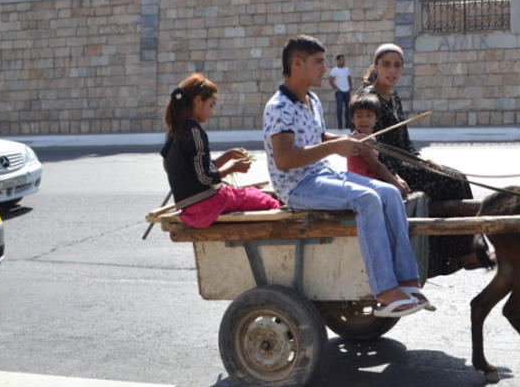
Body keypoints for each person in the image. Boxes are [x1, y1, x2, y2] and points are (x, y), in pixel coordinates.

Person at [262, 35, 430, 317]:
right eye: (318, 62)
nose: (325, 69)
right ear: (297, 64)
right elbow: (285, 158)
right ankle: (384, 288)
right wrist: (334, 146)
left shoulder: (311, 99)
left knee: (388, 193)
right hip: (297, 186)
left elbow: (318, 137)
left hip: (321, 175)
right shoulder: (279, 107)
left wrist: (348, 140)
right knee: (367, 199)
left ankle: (407, 280)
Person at [360, 43, 493, 275]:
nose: (391, 71)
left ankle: (467, 244)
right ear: (376, 67)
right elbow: (373, 148)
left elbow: (405, 141)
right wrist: (393, 177)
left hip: (406, 162)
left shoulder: (394, 97)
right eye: (386, 65)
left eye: (397, 66)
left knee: (458, 177)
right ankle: (464, 250)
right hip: (390, 167)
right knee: (452, 182)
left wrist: (421, 159)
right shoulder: (369, 100)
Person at [161, 73, 281, 228]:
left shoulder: (175, 131)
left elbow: (197, 169)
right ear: (198, 101)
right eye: (211, 105)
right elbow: (204, 178)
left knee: (251, 193)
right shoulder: (195, 133)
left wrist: (227, 156)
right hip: (208, 204)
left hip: (190, 206)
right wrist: (233, 168)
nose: (212, 111)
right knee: (267, 201)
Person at [347, 92, 410, 195]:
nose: (364, 120)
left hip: (374, 180)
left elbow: (383, 162)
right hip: (360, 183)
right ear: (352, 119)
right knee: (393, 191)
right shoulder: (356, 141)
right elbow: (376, 166)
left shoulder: (372, 138)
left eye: (369, 116)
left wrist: (397, 178)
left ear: (376, 118)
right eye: (359, 116)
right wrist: (397, 185)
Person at [327, 54, 351, 130]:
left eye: (344, 60)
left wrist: (350, 87)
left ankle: (348, 125)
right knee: (339, 109)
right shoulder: (334, 70)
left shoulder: (347, 69)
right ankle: (340, 126)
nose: (343, 61)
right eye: (341, 60)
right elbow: (331, 81)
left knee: (348, 109)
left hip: (347, 91)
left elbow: (349, 78)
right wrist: (337, 88)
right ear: (337, 60)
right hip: (339, 92)